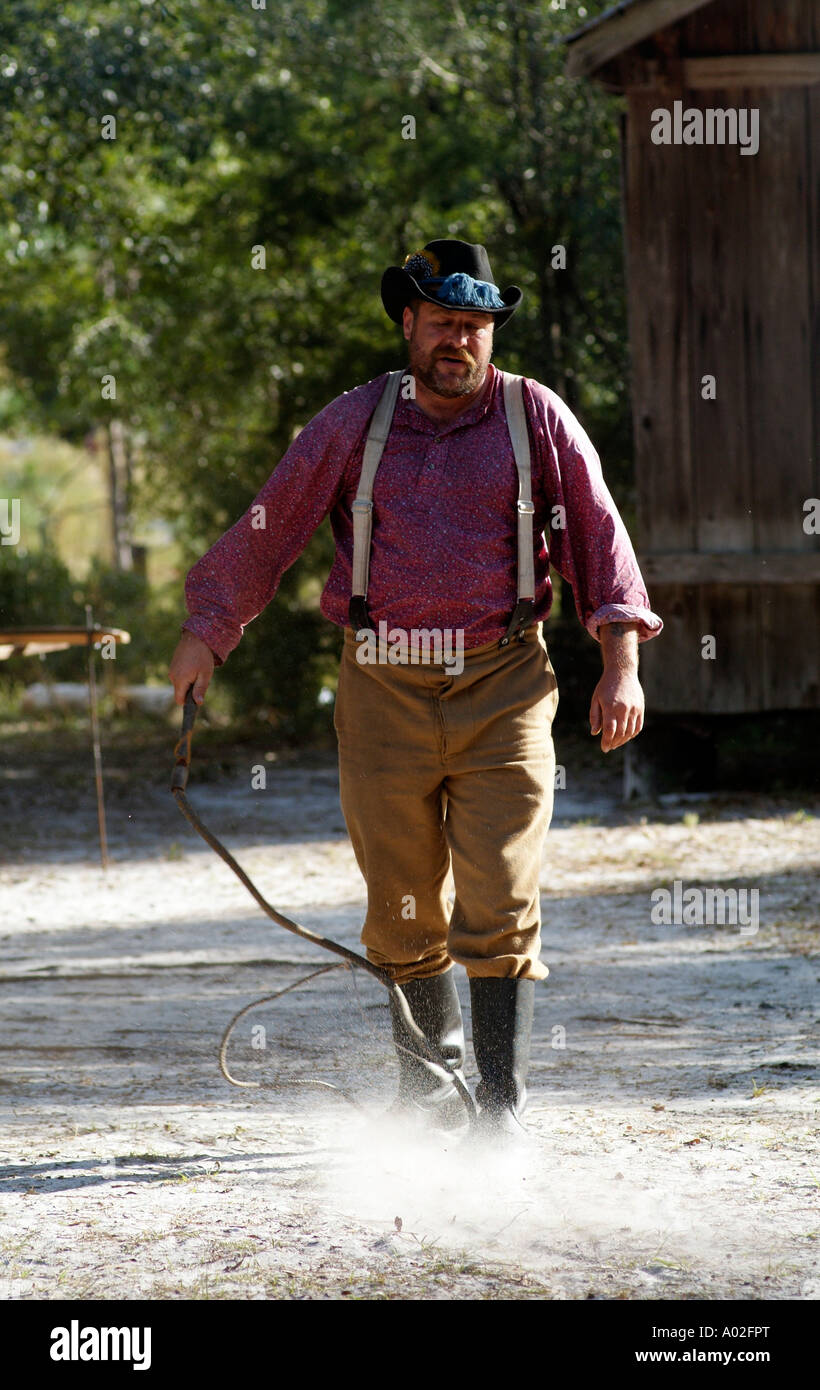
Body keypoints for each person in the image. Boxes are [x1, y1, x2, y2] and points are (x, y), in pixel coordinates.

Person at [169, 239, 662, 1140]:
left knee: (501, 891)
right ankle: (431, 1097)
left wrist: (620, 663)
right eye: (442, 323)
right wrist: (209, 630)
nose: (458, 343)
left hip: (504, 684)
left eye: (474, 327)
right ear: (409, 322)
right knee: (401, 897)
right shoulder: (354, 422)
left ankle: (502, 1108)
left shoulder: (534, 417)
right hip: (381, 688)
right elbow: (270, 525)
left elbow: (599, 535)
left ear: (490, 334)